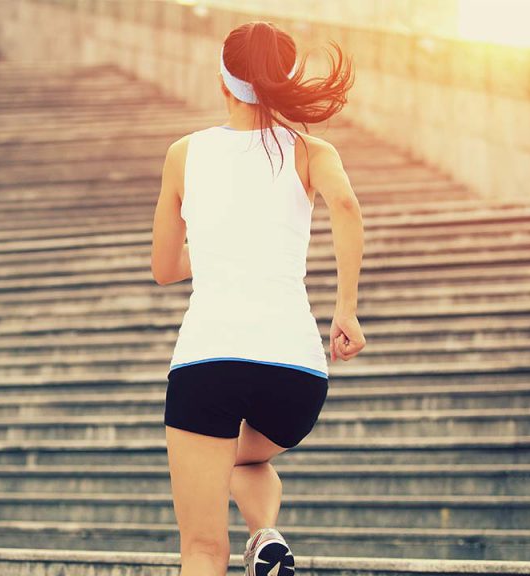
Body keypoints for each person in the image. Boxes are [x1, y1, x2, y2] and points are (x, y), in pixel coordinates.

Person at [150, 20, 366, 576]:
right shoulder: (311, 151)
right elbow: (346, 207)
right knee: (243, 460)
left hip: (208, 361)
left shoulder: (185, 154)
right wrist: (345, 308)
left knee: (201, 548)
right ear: (281, 82)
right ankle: (265, 536)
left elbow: (165, 268)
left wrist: (217, 245)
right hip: (295, 371)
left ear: (223, 81)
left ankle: (258, 538)